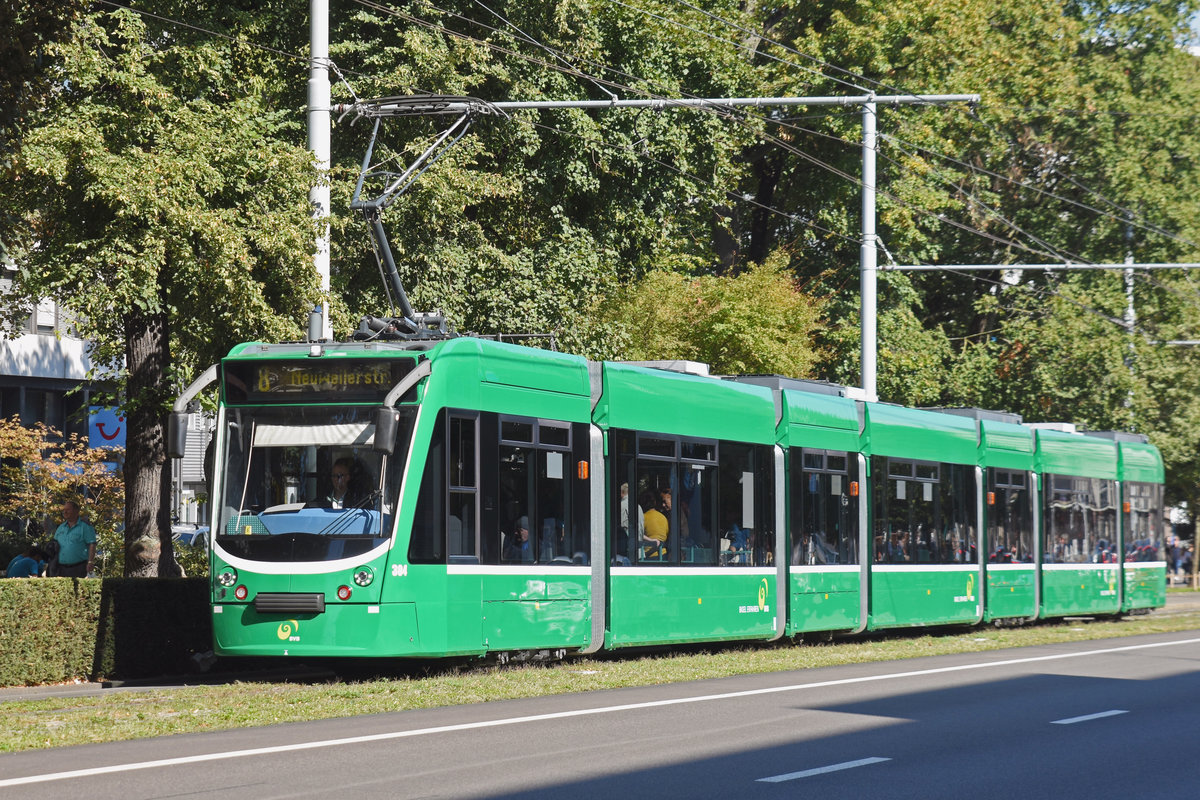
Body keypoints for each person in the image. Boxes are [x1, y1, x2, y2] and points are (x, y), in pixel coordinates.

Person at [51, 500, 96, 578]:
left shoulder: (85, 527)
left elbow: (92, 544)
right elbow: (54, 545)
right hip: (61, 568)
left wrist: (90, 562)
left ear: (76, 511)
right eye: (64, 510)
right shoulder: (61, 527)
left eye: (68, 510)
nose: (65, 512)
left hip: (79, 567)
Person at [642, 488, 669, 558]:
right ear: (655, 503)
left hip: (649, 555)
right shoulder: (663, 517)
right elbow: (666, 533)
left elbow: (639, 534)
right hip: (663, 554)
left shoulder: (643, 517)